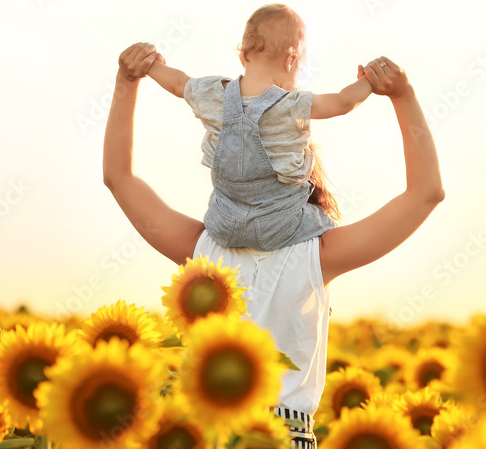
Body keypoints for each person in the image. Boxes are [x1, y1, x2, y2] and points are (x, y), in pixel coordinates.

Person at [103, 42, 444, 447]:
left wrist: (128, 82)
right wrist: (401, 96)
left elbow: (119, 178)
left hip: (203, 434)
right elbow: (425, 193)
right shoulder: (320, 255)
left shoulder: (202, 250)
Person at [145, 3, 373, 251]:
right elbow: (343, 102)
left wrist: (151, 66)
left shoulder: (212, 94)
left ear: (243, 57)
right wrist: (370, 81)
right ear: (291, 60)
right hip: (282, 225)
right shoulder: (293, 104)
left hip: (223, 225)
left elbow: (179, 83)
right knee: (326, 221)